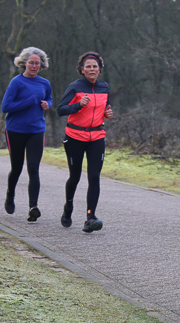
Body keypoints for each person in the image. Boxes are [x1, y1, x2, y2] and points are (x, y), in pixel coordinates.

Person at [56, 52, 113, 232]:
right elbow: (60, 110)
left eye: (95, 66)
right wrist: (79, 105)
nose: (91, 69)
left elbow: (105, 108)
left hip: (96, 136)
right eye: (88, 66)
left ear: (100, 70)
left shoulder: (104, 87)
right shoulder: (75, 87)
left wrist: (107, 114)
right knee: (75, 176)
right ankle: (68, 208)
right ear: (82, 70)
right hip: (75, 136)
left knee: (94, 176)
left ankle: (90, 217)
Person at [1, 47, 53, 222]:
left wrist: (47, 104)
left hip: (36, 130)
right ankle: (10, 195)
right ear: (24, 63)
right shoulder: (16, 82)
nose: (34, 66)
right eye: (31, 62)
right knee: (16, 168)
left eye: (37, 63)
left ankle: (33, 207)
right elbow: (5, 107)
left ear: (42, 65)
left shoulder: (44, 83)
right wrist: (28, 101)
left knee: (33, 168)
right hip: (15, 130)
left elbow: (50, 98)